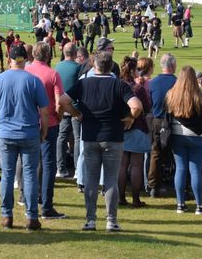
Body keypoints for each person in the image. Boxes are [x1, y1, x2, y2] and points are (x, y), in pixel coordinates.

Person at [59, 51, 143, 231]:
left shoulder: (84, 83)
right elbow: (137, 106)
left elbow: (63, 101)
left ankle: (90, 220)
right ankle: (111, 220)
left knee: (91, 179)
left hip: (90, 136)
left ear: (94, 65)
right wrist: (130, 118)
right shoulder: (119, 85)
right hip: (113, 136)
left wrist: (77, 114)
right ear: (111, 66)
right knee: (110, 179)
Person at [0, 44, 49, 231]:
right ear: (25, 59)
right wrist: (43, 130)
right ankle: (31, 217)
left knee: (7, 174)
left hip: (6, 133)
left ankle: (7, 215)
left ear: (9, 60)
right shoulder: (33, 80)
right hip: (29, 132)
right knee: (29, 174)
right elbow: (45, 111)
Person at [25, 41, 66, 220]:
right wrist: (58, 116)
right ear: (48, 55)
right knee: (49, 164)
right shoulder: (52, 74)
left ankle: (29, 201)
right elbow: (59, 101)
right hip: (49, 122)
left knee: (30, 163)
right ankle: (47, 206)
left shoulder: (25, 71)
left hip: (28, 122)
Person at [164, 65, 202, 214]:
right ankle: (199, 205)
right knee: (195, 170)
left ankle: (180, 204)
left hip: (177, 135)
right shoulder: (201, 94)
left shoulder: (171, 94)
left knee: (180, 169)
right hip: (197, 136)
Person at [118, 56, 150, 209]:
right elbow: (147, 107)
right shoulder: (138, 89)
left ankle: (121, 197)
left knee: (122, 165)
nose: (139, 71)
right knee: (136, 165)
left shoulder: (117, 85)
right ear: (132, 70)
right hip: (136, 127)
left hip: (120, 128)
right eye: (137, 69)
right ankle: (136, 199)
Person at [147, 53, 177, 197]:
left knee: (155, 153)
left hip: (157, 120)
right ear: (172, 66)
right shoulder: (177, 83)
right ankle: (179, 185)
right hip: (173, 121)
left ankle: (153, 186)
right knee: (177, 153)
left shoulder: (152, 82)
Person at [55, 43, 81, 178]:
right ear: (75, 53)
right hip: (75, 107)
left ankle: (60, 168)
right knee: (77, 138)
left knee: (62, 137)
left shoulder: (57, 66)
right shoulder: (78, 68)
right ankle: (77, 169)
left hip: (61, 106)